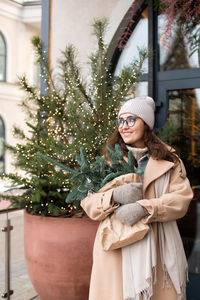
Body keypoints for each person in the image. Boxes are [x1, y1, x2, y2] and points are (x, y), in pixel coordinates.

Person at [81, 96, 193, 300]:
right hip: (117, 250)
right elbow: (88, 203)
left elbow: (182, 200)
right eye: (120, 121)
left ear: (146, 124)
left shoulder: (170, 160)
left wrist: (145, 208)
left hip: (159, 247)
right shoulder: (106, 161)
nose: (124, 126)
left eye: (131, 120)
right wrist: (113, 195)